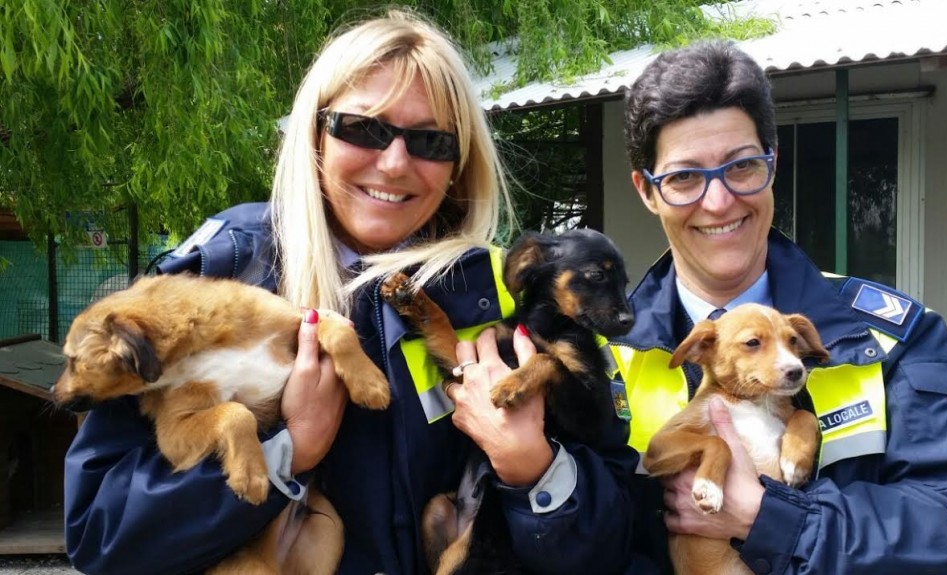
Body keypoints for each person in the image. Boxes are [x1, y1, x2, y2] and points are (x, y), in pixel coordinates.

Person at [63, 10, 635, 574]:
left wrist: (531, 468)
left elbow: (612, 539)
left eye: (431, 141)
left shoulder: (502, 290)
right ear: (315, 133)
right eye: (364, 128)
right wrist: (290, 451)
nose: (393, 163)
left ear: (459, 164)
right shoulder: (215, 277)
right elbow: (101, 536)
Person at [611, 39, 947, 573]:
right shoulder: (598, 352)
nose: (717, 202)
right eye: (684, 177)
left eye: (741, 167)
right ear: (647, 192)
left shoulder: (889, 337)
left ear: (773, 164)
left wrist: (774, 520)